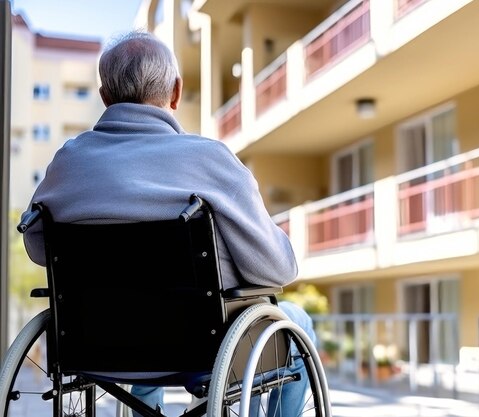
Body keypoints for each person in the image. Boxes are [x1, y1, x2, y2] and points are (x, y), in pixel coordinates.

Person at [20, 30, 316, 417]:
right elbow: (278, 268)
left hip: (97, 342)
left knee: (144, 316)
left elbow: (39, 248)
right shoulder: (210, 160)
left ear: (105, 95)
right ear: (175, 93)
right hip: (197, 346)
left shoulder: (68, 161)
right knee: (299, 323)